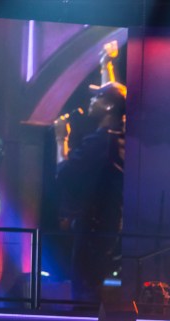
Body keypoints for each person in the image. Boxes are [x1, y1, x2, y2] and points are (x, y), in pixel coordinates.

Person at [53, 81, 126, 301]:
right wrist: (106, 66)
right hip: (110, 226)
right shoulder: (120, 138)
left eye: (98, 96)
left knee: (84, 292)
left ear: (109, 106)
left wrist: (61, 138)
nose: (92, 100)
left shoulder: (100, 142)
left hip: (93, 231)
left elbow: (64, 173)